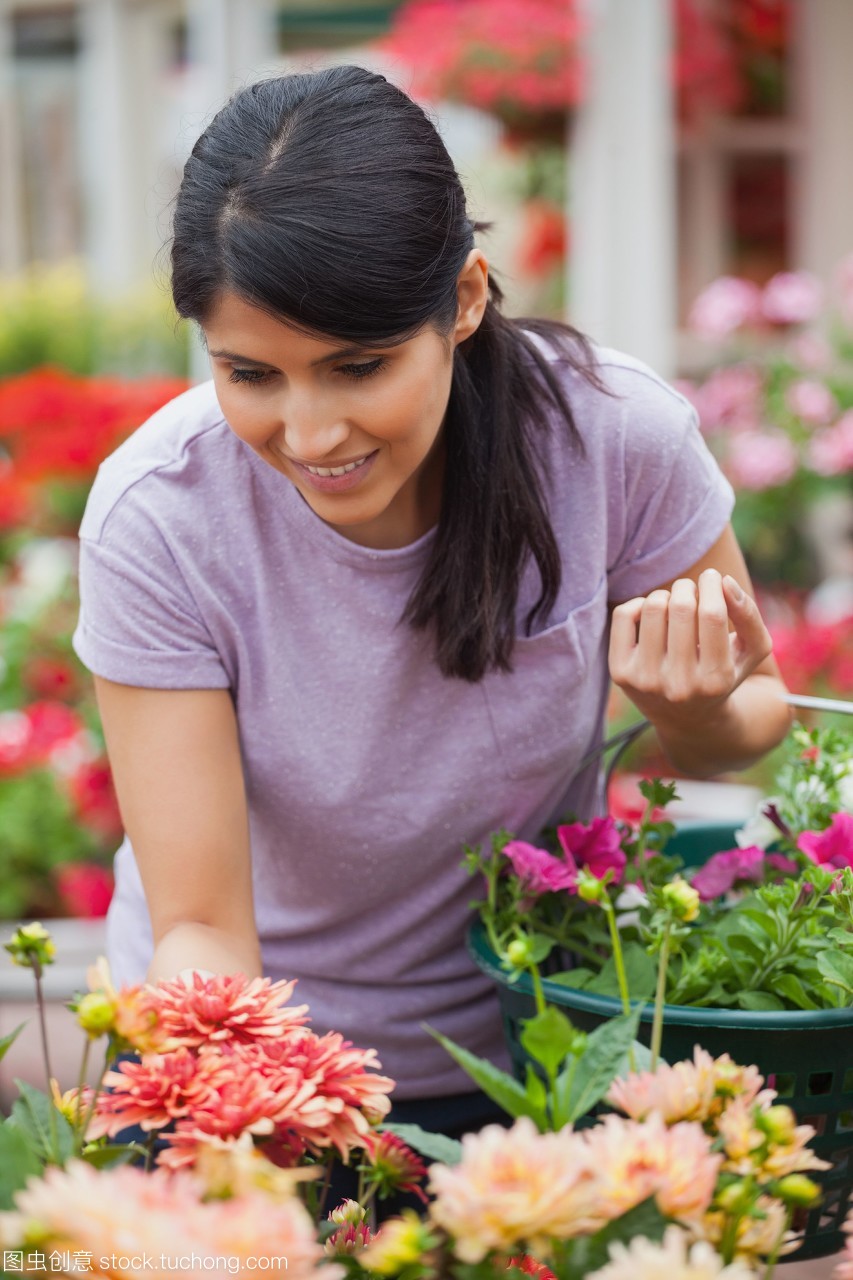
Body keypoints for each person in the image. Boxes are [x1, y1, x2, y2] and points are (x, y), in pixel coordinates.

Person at [72, 65, 791, 1144]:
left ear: (461, 299)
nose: (310, 434)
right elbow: (203, 926)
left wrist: (689, 708)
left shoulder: (614, 444)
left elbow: (751, 725)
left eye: (357, 366)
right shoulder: (162, 515)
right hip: (253, 1057)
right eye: (249, 373)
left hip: (537, 1040)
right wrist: (251, 1132)